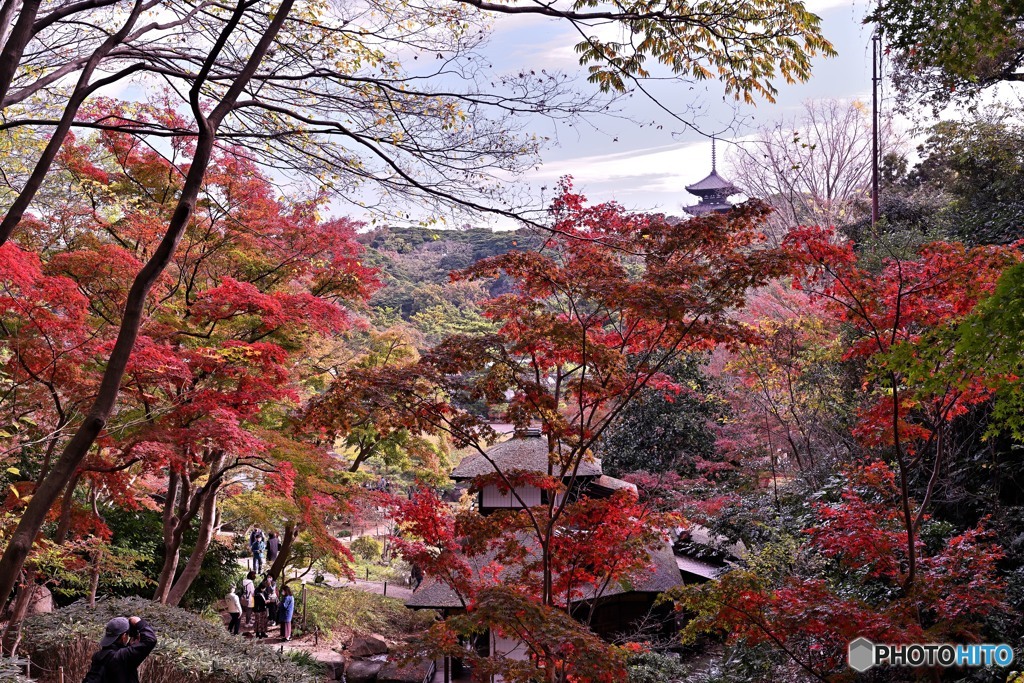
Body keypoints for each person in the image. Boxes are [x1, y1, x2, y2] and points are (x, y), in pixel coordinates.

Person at [82, 615, 157, 683]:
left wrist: (129, 646)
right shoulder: (122, 656)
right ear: (124, 636)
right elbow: (150, 640)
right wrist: (140, 622)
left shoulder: (98, 656)